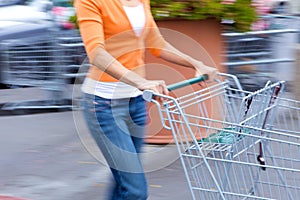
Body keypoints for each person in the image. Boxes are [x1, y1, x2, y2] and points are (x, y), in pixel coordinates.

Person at [75, 0, 218, 199]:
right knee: (135, 191)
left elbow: (156, 44)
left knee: (123, 184)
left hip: (135, 105)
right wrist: (140, 81)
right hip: (103, 105)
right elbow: (96, 53)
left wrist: (196, 63)